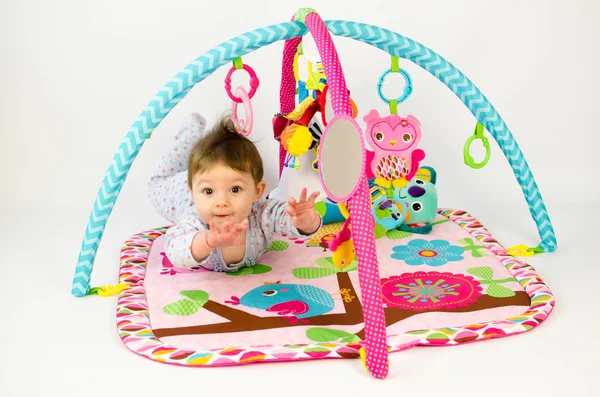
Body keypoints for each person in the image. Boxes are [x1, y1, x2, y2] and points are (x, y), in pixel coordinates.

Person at [148, 113, 323, 272]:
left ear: (257, 191)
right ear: (194, 193)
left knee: (204, 171)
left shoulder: (262, 214)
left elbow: (287, 217)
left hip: (199, 181)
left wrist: (306, 221)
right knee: (156, 182)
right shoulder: (195, 221)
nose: (221, 201)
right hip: (176, 192)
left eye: (235, 189)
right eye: (209, 191)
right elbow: (174, 248)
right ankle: (191, 130)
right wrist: (207, 240)